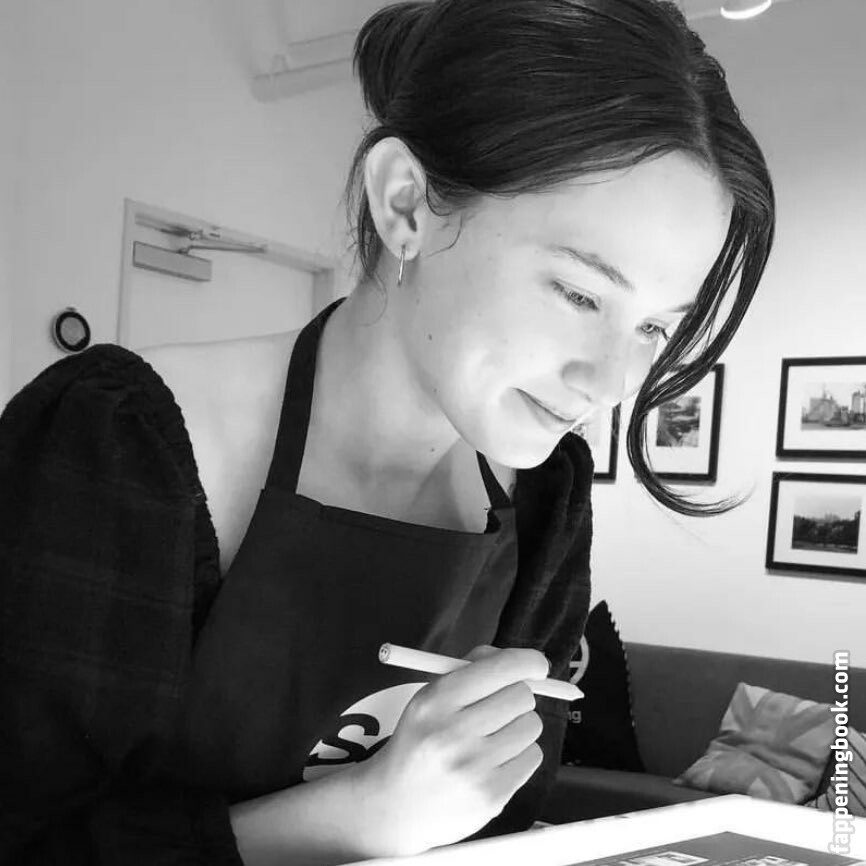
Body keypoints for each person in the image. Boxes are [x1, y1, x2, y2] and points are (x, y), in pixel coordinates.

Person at [0, 0, 775, 863]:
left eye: (655, 328)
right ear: (406, 205)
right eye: (579, 294)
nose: (613, 383)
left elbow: (506, 812)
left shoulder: (547, 493)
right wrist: (358, 817)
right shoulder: (118, 443)